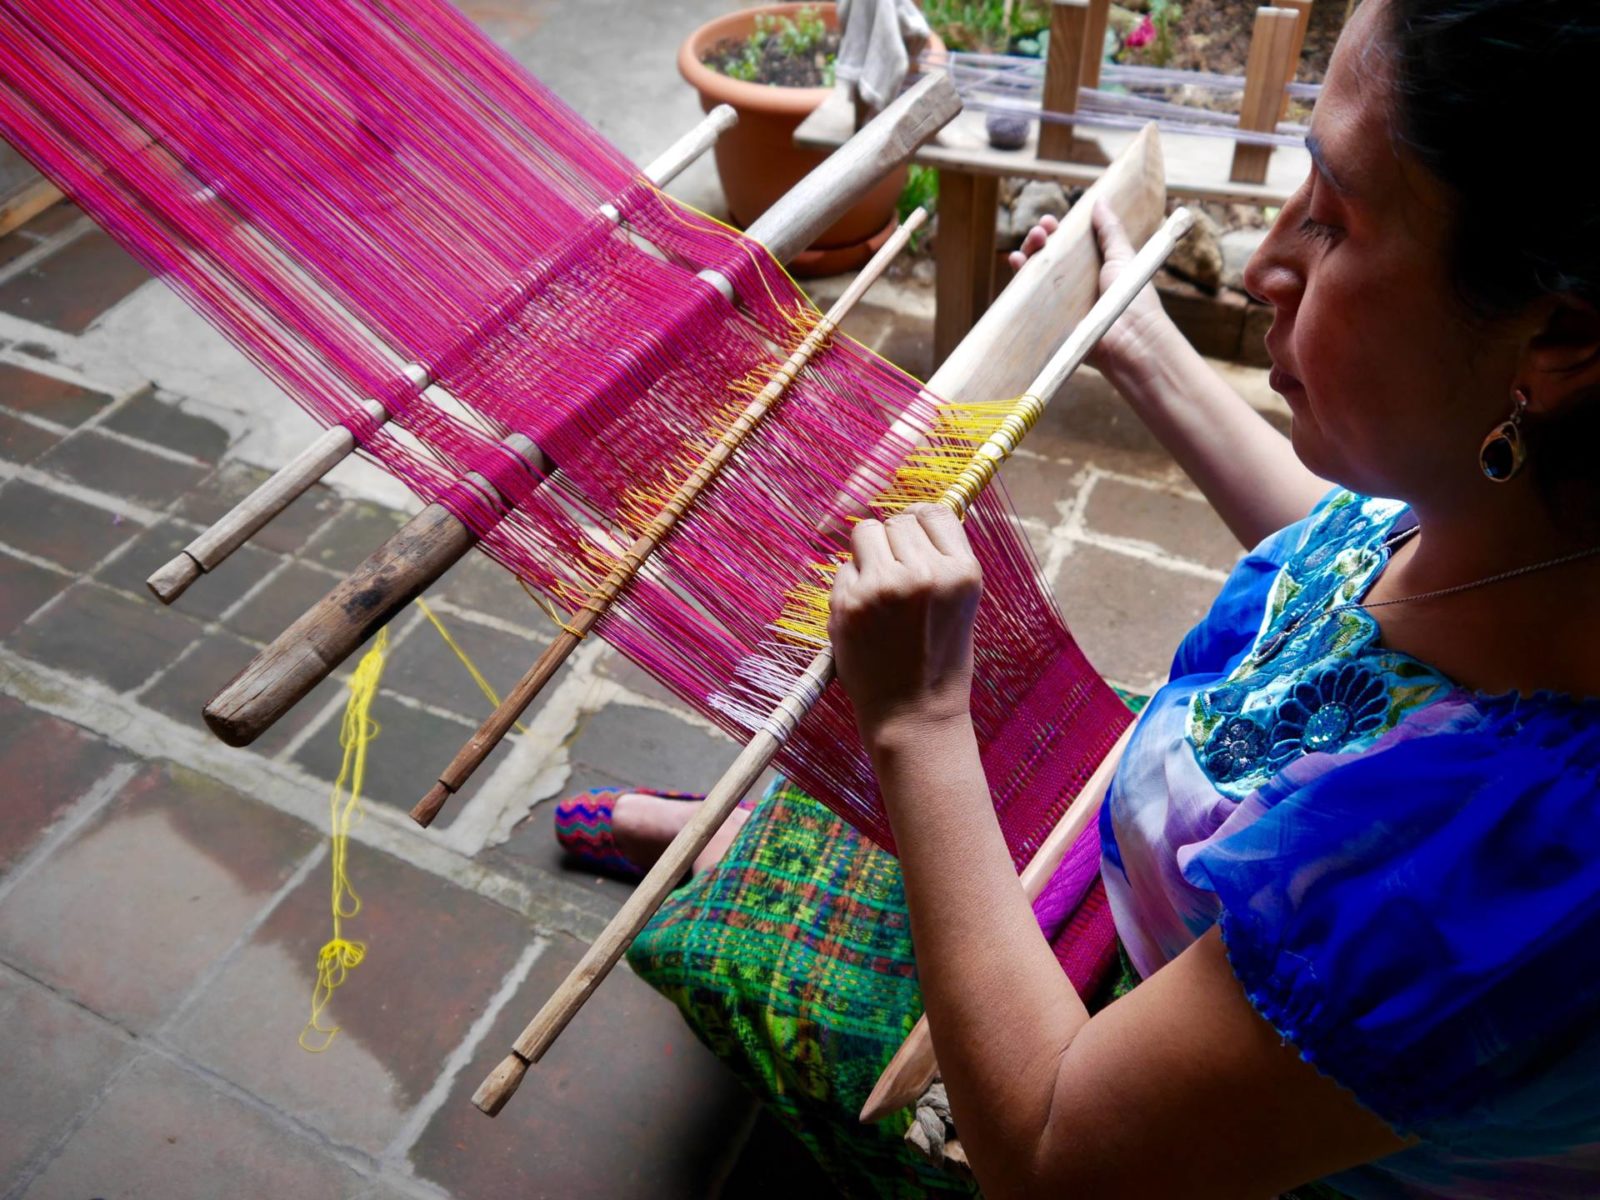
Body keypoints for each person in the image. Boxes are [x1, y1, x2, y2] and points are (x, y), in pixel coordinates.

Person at [555, 0, 1600, 1194]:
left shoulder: (1476, 880)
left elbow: (1050, 1159)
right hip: (1186, 874)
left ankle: (749, 865)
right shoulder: (1530, 525)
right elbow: (1344, 552)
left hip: (1158, 1094)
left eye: (1334, 216)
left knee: (787, 900)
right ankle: (754, 836)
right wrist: (1145, 350)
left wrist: (916, 722)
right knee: (912, 786)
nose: (1264, 263)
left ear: (1560, 339)